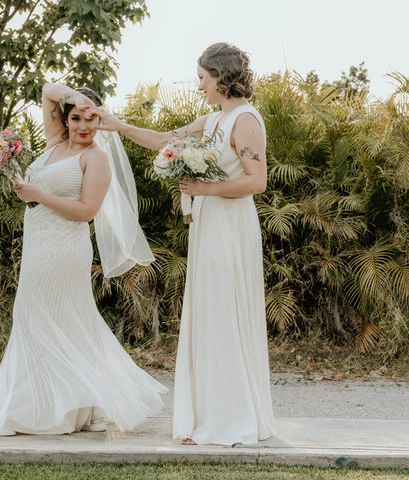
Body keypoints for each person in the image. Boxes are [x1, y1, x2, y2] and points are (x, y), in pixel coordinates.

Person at [97, 42, 276, 445]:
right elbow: (163, 137)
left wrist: (203, 187)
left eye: (201, 77)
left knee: (225, 309)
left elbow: (256, 181)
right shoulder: (212, 120)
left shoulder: (245, 121)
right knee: (209, 311)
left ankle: (230, 418)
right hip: (209, 224)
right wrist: (118, 125)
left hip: (230, 226)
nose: (198, 85)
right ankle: (208, 416)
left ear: (221, 75)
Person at [0, 82, 166, 436]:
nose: (83, 126)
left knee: (43, 318)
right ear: (66, 118)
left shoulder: (96, 158)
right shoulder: (55, 144)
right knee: (59, 321)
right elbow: (47, 90)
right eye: (76, 117)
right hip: (37, 245)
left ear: (100, 123)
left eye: (90, 120)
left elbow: (86, 211)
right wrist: (76, 97)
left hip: (64, 249)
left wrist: (39, 195)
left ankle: (46, 411)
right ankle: (80, 406)